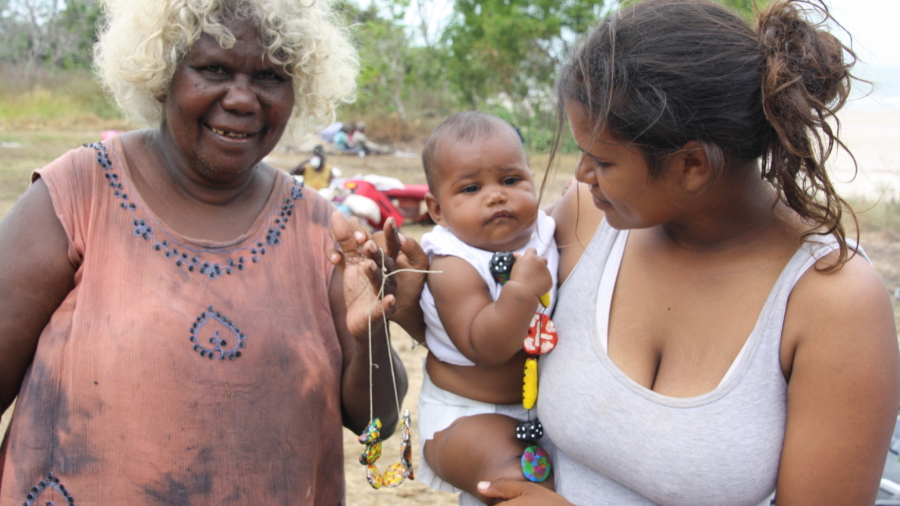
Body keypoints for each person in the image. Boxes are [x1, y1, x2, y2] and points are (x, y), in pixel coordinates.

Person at [0, 0, 428, 504]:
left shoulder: (320, 230)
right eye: (214, 69)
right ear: (162, 74)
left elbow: (374, 420)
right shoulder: (78, 194)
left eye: (270, 76)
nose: (243, 99)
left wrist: (372, 330)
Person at [477, 0, 900, 504]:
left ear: (693, 165)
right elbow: (487, 335)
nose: (581, 175)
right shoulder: (594, 218)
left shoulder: (832, 300)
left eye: (603, 160)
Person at [416, 111, 558, 505]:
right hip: (465, 415)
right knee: (520, 482)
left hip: (533, 413)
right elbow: (486, 346)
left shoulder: (546, 231)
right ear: (438, 209)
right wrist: (521, 291)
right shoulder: (451, 263)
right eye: (471, 188)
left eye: (511, 180)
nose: (495, 195)